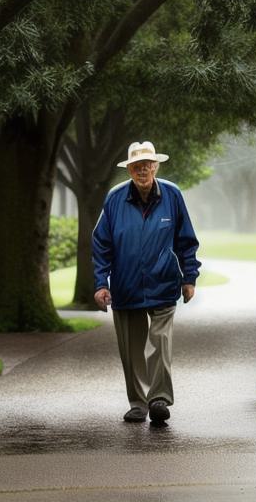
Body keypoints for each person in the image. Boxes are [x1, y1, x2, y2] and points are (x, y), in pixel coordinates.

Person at [92, 141, 201, 423]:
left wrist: (189, 278)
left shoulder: (172, 195)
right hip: (126, 286)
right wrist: (101, 283)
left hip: (163, 283)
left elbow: (185, 240)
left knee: (160, 342)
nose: (143, 170)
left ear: (156, 166)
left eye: (147, 165)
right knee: (131, 349)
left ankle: (159, 399)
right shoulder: (115, 199)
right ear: (129, 169)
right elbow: (101, 244)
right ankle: (138, 403)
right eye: (137, 166)